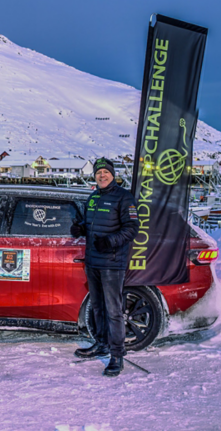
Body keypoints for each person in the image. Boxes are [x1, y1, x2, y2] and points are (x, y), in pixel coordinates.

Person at [70, 157, 140, 376]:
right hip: (93, 261)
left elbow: (132, 228)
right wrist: (80, 228)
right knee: (98, 307)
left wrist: (110, 241)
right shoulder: (94, 197)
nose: (102, 176)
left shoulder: (124, 198)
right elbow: (90, 223)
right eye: (99, 173)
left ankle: (117, 356)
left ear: (113, 175)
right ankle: (101, 344)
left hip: (111, 263)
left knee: (114, 311)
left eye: (106, 173)